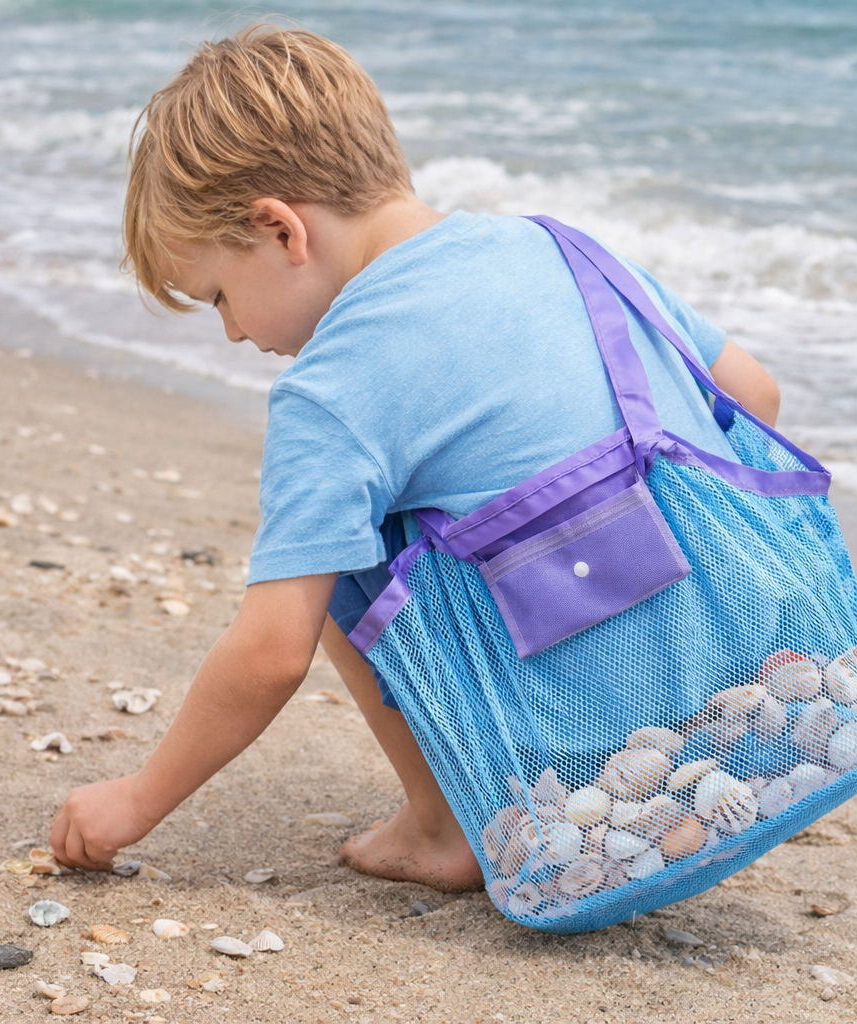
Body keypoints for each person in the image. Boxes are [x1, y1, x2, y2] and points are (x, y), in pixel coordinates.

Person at [49, 24, 781, 893]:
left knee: (324, 550)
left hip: (578, 783)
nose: (235, 332)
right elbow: (756, 396)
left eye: (219, 296)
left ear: (280, 230)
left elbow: (272, 652)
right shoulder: (565, 248)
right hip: (760, 706)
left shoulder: (332, 384)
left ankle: (444, 827)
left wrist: (135, 800)